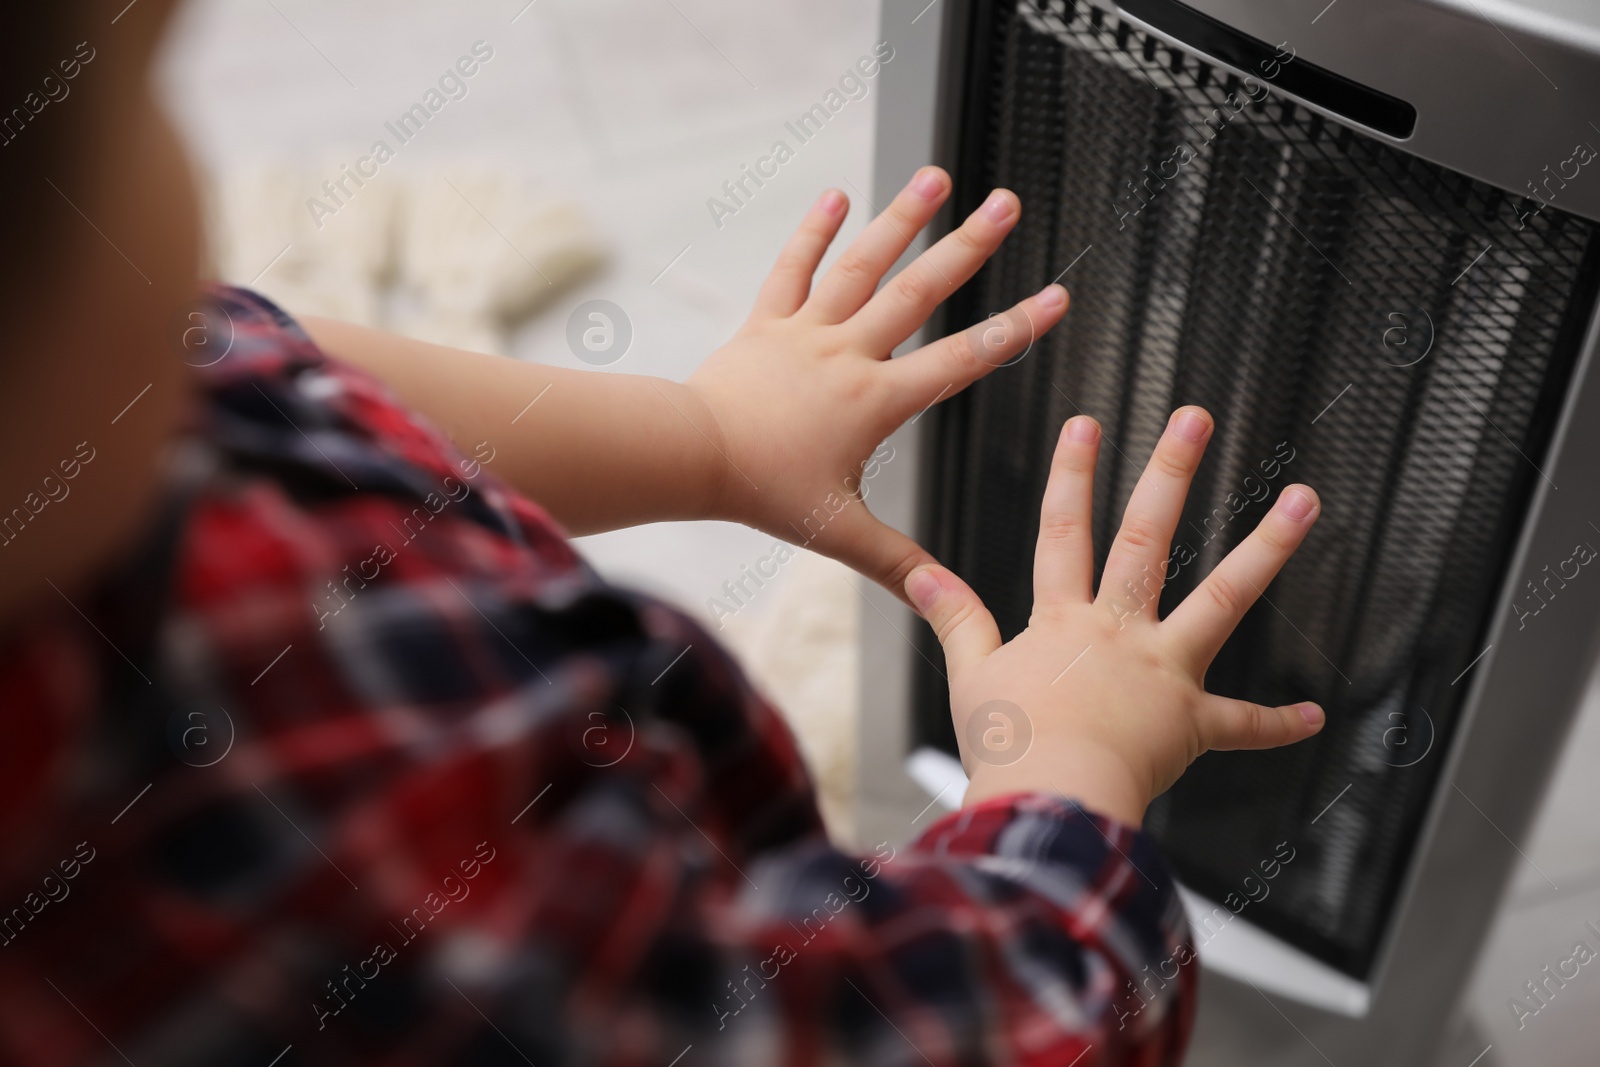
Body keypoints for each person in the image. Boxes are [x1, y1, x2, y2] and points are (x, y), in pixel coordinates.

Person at [0, 2, 1324, 1063]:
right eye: (136, 105)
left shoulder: (86, 438)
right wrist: (1070, 770)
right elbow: (981, 1031)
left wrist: (712, 439)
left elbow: (273, 377)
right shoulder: (357, 868)